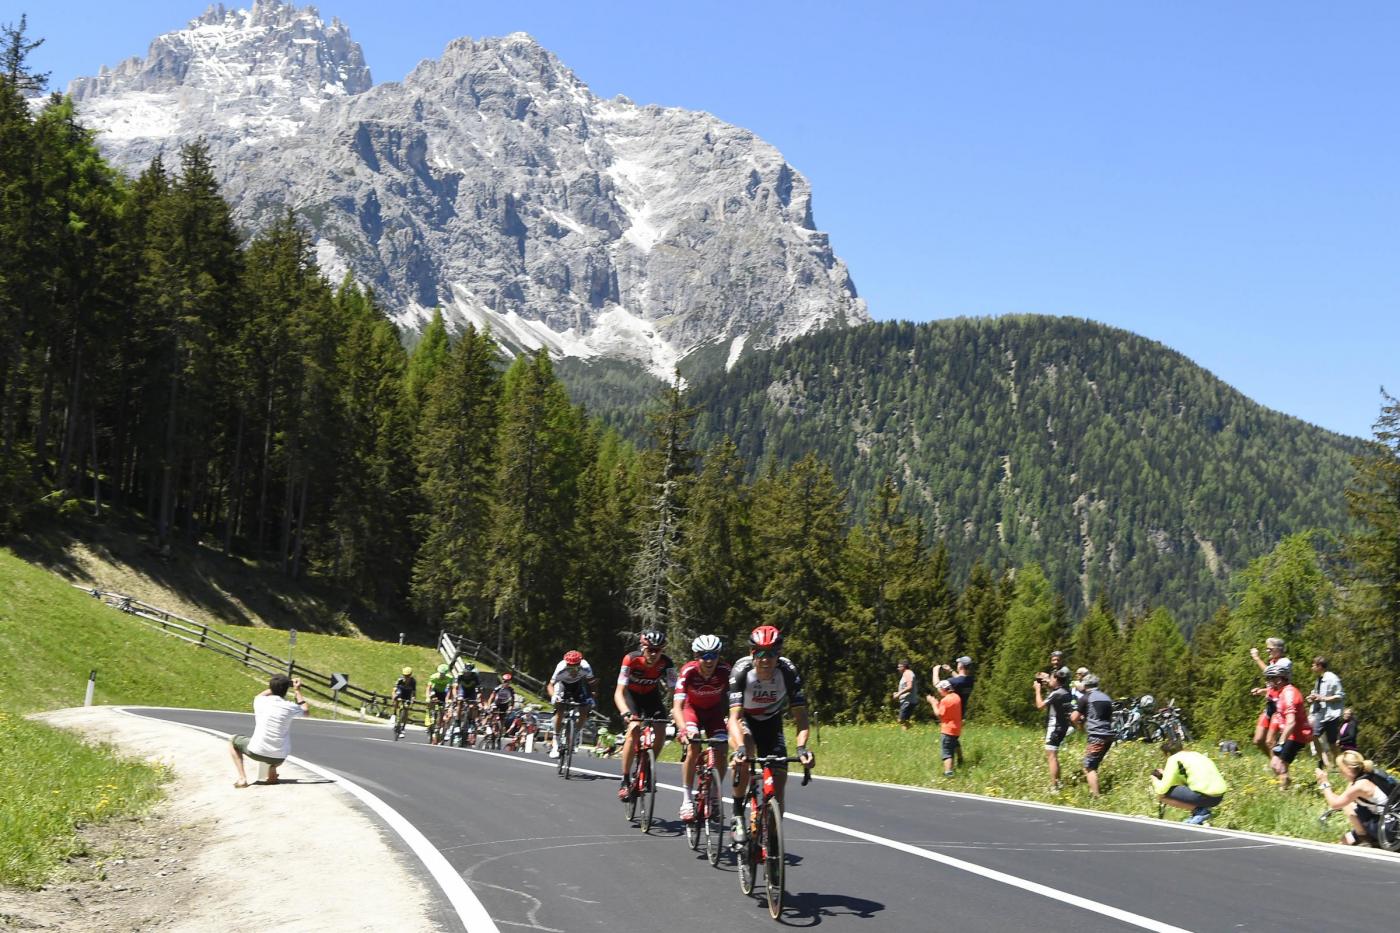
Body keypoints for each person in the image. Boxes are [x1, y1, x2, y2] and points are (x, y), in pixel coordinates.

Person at [728, 625, 814, 843]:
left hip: (771, 722)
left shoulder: (787, 671)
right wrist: (738, 749)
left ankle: (773, 841)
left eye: (773, 653)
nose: (766, 660)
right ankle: (737, 813)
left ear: (780, 653)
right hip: (744, 720)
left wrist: (802, 748)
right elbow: (734, 718)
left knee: (779, 779)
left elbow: (801, 718)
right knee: (746, 750)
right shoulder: (741, 670)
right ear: (752, 653)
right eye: (761, 654)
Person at [672, 634, 732, 821]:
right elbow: (677, 707)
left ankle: (714, 794)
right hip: (692, 711)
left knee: (722, 748)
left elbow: (735, 700)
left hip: (714, 713)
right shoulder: (688, 671)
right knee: (694, 745)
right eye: (704, 655)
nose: (708, 660)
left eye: (713, 655)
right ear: (696, 656)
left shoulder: (725, 671)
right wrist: (683, 729)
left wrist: (733, 719)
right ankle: (687, 799)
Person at [614, 630, 678, 801]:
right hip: (631, 697)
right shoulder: (631, 659)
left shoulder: (667, 663)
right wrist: (625, 712)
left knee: (661, 730)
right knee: (634, 728)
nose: (654, 654)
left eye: (658, 650)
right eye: (650, 650)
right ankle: (625, 780)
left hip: (651, 697)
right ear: (643, 647)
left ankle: (648, 768)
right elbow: (619, 692)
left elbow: (675, 692)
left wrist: (676, 710)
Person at [229, 674, 308, 787]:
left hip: (256, 752)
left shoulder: (260, 701)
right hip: (280, 757)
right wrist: (297, 691)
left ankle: (242, 779)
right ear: (286, 690)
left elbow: (261, 694)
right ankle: (273, 769)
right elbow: (306, 711)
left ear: (271, 687)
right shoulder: (290, 707)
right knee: (276, 751)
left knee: (233, 741)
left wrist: (276, 686)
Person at [1316, 750, 1398, 847]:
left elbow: (1335, 804)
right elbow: (1340, 800)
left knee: (1348, 805)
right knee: (1345, 840)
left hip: (1388, 829)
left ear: (1349, 768)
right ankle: (1366, 838)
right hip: (1392, 823)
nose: (1340, 773)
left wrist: (1324, 783)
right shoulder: (1368, 775)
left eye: (1341, 769)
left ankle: (1365, 840)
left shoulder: (1360, 786)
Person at [1151, 736, 1228, 825]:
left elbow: (1162, 789)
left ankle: (1200, 811)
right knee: (1191, 788)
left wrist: (1154, 780)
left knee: (1162, 795)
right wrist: (1165, 774)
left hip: (1203, 796)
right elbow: (1185, 779)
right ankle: (1198, 816)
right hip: (1218, 798)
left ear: (1167, 753)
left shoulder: (1173, 758)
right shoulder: (1196, 754)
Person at [1266, 662, 1313, 790]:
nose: (1269, 682)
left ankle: (1283, 792)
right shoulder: (1283, 692)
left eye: (1271, 679)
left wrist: (1281, 743)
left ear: (1280, 679)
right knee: (1276, 765)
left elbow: (1291, 722)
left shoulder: (1289, 693)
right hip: (1290, 734)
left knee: (1279, 766)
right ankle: (1286, 785)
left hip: (1296, 735)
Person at [546, 650, 595, 759]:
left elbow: (592, 683)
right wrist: (554, 695)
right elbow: (550, 685)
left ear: (580, 663)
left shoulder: (586, 666)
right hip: (562, 686)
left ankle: (575, 735)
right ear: (565, 663)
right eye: (569, 666)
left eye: (575, 667)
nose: (572, 669)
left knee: (585, 710)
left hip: (577, 686)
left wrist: (592, 697)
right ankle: (556, 741)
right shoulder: (560, 668)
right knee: (560, 709)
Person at [1072, 673, 1114, 797]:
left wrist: (1079, 725)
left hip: (1097, 736)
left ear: (1085, 685)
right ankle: (1092, 789)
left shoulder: (1086, 697)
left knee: (1089, 767)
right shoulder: (1106, 697)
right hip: (1109, 735)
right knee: (1094, 764)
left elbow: (1074, 717)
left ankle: (1096, 796)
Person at [1248, 638, 1291, 756]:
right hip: (1270, 704)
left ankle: (1278, 766)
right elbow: (1273, 688)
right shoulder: (1273, 662)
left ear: (1279, 650)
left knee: (1270, 741)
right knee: (1258, 740)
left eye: (1270, 649)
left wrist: (1256, 658)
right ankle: (1273, 761)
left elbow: (1270, 672)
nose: (1267, 651)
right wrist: (1262, 691)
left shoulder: (1285, 662)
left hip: (1280, 707)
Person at [1034, 666, 1074, 791]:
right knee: (1054, 755)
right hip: (1062, 726)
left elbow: (1040, 706)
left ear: (1056, 679)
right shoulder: (1065, 692)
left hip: (1055, 727)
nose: (1048, 680)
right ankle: (1058, 782)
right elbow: (1054, 691)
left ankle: (1055, 787)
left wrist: (1037, 690)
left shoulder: (1056, 694)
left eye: (1051, 678)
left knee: (1051, 756)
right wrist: (1046, 681)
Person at [1307, 656, 1344, 769]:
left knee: (1332, 743)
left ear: (1319, 666)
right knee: (1313, 735)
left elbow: (1340, 695)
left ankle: (1338, 764)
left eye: (1313, 665)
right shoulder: (1319, 679)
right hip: (1320, 713)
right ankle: (1325, 762)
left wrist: (1323, 698)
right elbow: (1318, 694)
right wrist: (1312, 697)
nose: (1312, 667)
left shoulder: (1332, 678)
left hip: (1331, 715)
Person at [926, 679, 962, 777]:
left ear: (943, 689)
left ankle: (948, 773)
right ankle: (960, 760)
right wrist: (938, 704)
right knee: (954, 744)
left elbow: (939, 714)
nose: (939, 692)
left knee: (947, 753)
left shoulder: (945, 700)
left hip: (947, 730)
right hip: (956, 729)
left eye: (939, 690)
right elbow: (948, 711)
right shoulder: (956, 697)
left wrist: (933, 702)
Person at [425, 664, 453, 744]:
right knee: (431, 699)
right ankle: (429, 714)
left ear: (446, 673)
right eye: (440, 673)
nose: (441, 675)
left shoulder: (449, 678)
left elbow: (450, 690)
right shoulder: (433, 677)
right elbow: (429, 688)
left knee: (443, 710)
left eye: (443, 674)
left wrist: (448, 700)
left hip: (443, 694)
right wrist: (427, 697)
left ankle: (439, 724)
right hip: (435, 691)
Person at [390, 666, 417, 731]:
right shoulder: (400, 680)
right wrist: (393, 697)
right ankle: (394, 714)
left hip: (408, 693)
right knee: (397, 696)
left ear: (410, 675)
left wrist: (413, 698)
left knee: (406, 708)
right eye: (405, 675)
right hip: (400, 691)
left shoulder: (413, 681)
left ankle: (403, 726)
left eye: (408, 676)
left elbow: (414, 692)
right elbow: (394, 689)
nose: (406, 677)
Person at [893, 659, 917, 729]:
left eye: (899, 667)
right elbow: (906, 687)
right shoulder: (906, 673)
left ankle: (910, 726)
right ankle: (905, 735)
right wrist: (898, 693)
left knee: (901, 720)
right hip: (907, 700)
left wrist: (898, 694)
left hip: (908, 701)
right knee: (904, 723)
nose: (898, 669)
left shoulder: (908, 673)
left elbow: (909, 687)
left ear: (904, 666)